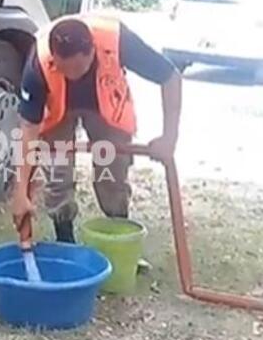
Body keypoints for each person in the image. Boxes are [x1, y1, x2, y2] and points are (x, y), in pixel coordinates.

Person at [11, 14, 182, 248]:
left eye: (79, 68)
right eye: (65, 70)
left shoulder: (118, 40)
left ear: (93, 50)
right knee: (57, 172)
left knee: (112, 173)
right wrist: (20, 191)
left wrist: (169, 137)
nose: (73, 75)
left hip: (107, 106)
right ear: (54, 58)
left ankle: (118, 237)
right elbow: (29, 127)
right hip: (58, 109)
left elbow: (170, 77)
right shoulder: (38, 63)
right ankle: (65, 241)